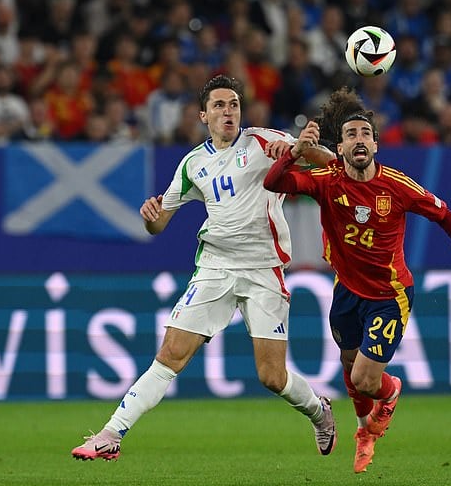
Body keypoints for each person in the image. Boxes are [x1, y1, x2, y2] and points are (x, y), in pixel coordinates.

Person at [71, 74, 337, 461]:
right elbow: (160, 222)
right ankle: (111, 433)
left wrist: (299, 150)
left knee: (272, 377)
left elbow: (328, 163)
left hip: (264, 269)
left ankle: (319, 411)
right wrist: (149, 216)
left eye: (233, 105)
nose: (228, 112)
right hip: (216, 267)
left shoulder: (264, 140)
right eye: (219, 106)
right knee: (170, 355)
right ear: (203, 115)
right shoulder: (193, 163)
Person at [262, 90, 451, 474]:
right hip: (346, 291)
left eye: (366, 134)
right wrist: (294, 151)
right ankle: (363, 433)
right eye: (351, 134)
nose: (359, 139)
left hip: (389, 296)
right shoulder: (326, 180)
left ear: (375, 143)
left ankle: (390, 395)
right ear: (340, 146)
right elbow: (274, 184)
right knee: (349, 367)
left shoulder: (398, 186)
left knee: (366, 379)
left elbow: (444, 215)